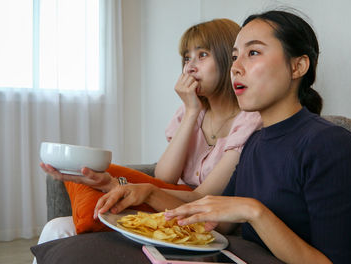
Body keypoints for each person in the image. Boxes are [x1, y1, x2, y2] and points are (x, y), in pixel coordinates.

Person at [95, 10, 351, 264]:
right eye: (235, 56)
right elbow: (218, 219)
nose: (236, 67)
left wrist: (254, 212)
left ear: (298, 67)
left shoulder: (332, 146)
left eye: (253, 53)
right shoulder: (255, 143)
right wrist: (147, 192)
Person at [37, 19, 262, 243]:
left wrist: (127, 187)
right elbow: (165, 176)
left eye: (202, 55)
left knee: (62, 230)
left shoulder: (250, 120)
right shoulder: (189, 112)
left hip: (200, 219)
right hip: (167, 208)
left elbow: (201, 196)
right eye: (186, 58)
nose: (189, 67)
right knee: (56, 228)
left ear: (227, 59)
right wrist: (192, 111)